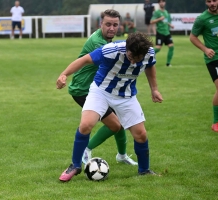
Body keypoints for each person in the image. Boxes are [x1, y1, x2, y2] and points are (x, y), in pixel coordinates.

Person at [56, 32, 163, 182]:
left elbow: (150, 67)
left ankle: (144, 170)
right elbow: (84, 60)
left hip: (126, 96)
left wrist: (154, 89)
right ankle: (75, 165)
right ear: (127, 49)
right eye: (131, 57)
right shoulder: (111, 50)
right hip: (101, 92)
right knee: (86, 124)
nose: (133, 62)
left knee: (141, 135)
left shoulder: (149, 53)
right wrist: (64, 74)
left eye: (137, 59)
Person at [68, 9, 137, 167]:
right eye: (108, 25)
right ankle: (87, 148)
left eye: (115, 25)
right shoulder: (99, 43)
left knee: (118, 122)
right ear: (101, 24)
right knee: (115, 124)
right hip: (83, 89)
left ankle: (122, 155)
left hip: (100, 89)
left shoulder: (106, 40)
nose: (112, 28)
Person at [190, 0, 218, 132]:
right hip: (214, 58)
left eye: (214, 0)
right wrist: (205, 49)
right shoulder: (202, 19)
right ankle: (216, 123)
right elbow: (193, 37)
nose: (212, 3)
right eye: (209, 1)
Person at [150, 0, 174, 67]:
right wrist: (159, 19)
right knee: (158, 48)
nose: (162, 3)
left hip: (167, 33)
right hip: (160, 33)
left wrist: (170, 25)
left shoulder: (166, 12)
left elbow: (165, 21)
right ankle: (147, 54)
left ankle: (168, 63)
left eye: (163, 2)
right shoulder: (157, 12)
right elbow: (151, 21)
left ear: (165, 3)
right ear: (159, 3)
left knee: (171, 47)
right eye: (160, 2)